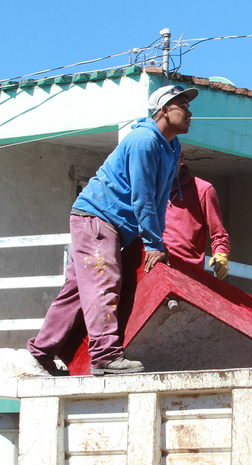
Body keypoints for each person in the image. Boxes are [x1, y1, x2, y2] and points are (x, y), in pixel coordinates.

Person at [27, 84, 198, 375]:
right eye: (183, 105)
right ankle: (105, 357)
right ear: (163, 111)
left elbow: (158, 201)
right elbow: (142, 196)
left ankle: (41, 353)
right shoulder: (144, 141)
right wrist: (153, 242)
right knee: (104, 281)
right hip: (96, 217)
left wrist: (156, 242)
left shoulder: (171, 147)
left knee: (77, 291)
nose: (190, 112)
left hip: (115, 224)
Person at [163, 153, 230, 279]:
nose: (166, 167)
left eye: (170, 160)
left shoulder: (203, 189)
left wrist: (221, 254)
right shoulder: (149, 188)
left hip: (188, 275)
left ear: (180, 157)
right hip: (156, 269)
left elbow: (219, 235)